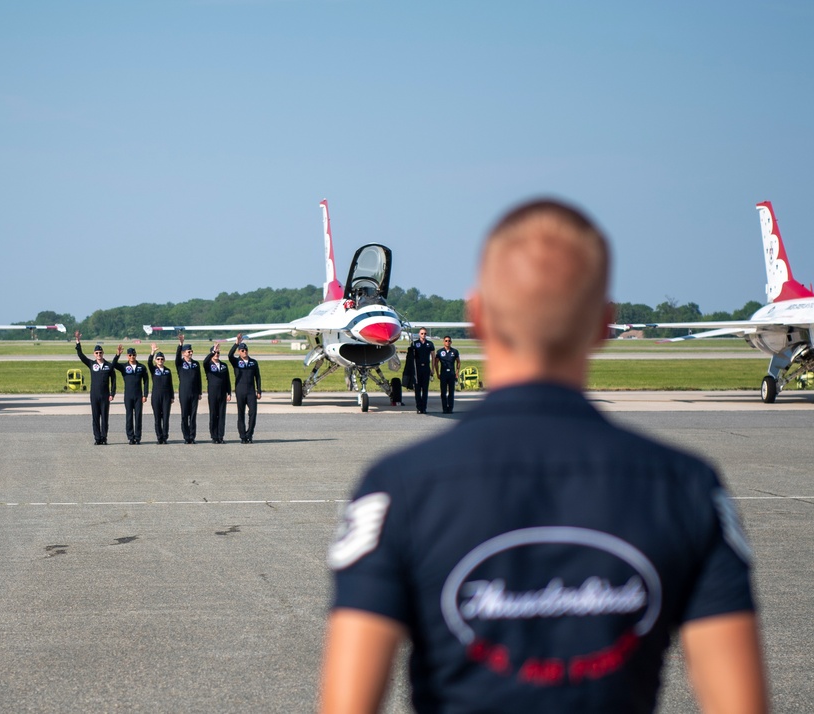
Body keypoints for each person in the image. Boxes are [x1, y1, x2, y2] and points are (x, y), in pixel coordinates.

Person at [320, 199, 767, 713]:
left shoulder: (396, 488)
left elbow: (347, 704)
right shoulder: (689, 489)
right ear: (604, 323)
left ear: (478, 315)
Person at [74, 331, 116, 445]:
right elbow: (81, 356)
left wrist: (112, 393)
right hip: (94, 395)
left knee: (105, 418)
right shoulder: (92, 364)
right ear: (94, 354)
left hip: (105, 395)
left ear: (103, 353)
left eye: (100, 352)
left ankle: (104, 437)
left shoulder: (108, 365)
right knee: (95, 417)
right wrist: (78, 342)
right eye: (97, 352)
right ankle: (97, 438)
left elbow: (114, 380)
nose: (99, 354)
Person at [112, 345, 149, 445]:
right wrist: (117, 355)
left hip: (138, 396)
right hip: (128, 395)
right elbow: (113, 365)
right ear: (127, 356)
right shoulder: (124, 367)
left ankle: (138, 437)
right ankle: (130, 437)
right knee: (129, 416)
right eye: (130, 355)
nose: (132, 356)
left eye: (133, 355)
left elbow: (146, 381)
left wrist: (145, 395)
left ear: (136, 355)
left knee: (138, 417)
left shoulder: (141, 367)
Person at [228, 335, 261, 443]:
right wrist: (236, 343)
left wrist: (259, 390)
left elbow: (258, 377)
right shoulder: (236, 362)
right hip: (240, 390)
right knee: (240, 413)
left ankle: (249, 434)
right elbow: (229, 355)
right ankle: (243, 436)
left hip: (251, 391)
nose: (244, 352)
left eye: (246, 350)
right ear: (239, 352)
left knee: (253, 412)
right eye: (242, 350)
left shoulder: (253, 362)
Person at [175, 335, 203, 444]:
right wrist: (180, 345)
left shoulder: (196, 364)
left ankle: (192, 436)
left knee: (193, 416)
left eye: (191, 351)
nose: (190, 353)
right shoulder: (180, 363)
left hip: (194, 392)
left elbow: (199, 378)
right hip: (184, 392)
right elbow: (177, 357)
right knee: (184, 415)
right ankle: (186, 437)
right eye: (188, 352)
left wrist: (200, 392)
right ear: (183, 353)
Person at [202, 341, 232, 444]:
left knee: (222, 415)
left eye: (218, 353)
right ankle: (214, 436)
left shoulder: (224, 365)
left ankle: (220, 436)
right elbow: (204, 361)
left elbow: (227, 379)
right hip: (213, 393)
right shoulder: (208, 365)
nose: (216, 354)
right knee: (214, 414)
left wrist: (229, 392)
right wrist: (213, 351)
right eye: (215, 353)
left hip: (222, 393)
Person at [149, 343, 175, 444]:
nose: (160, 361)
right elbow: (149, 362)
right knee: (157, 418)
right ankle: (159, 437)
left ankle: (165, 437)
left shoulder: (168, 371)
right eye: (158, 359)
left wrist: (172, 396)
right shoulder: (154, 369)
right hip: (156, 396)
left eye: (162, 359)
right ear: (156, 360)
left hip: (166, 397)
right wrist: (152, 352)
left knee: (165, 417)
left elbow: (171, 384)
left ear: (164, 360)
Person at [407, 327, 435, 413]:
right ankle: (419, 408)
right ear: (419, 334)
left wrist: (432, 369)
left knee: (425, 389)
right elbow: (410, 357)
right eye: (422, 333)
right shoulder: (415, 344)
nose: (423, 335)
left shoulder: (430, 344)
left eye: (425, 334)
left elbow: (433, 356)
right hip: (417, 369)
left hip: (426, 368)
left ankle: (424, 408)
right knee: (417, 389)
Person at [433, 335, 461, 414]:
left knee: (451, 392)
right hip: (443, 374)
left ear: (451, 342)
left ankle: (450, 408)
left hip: (451, 374)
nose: (447, 342)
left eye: (449, 341)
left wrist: (457, 372)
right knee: (443, 392)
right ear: (443, 342)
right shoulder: (440, 352)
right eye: (446, 341)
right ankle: (444, 408)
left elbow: (458, 362)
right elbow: (436, 362)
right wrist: (437, 373)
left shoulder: (454, 351)